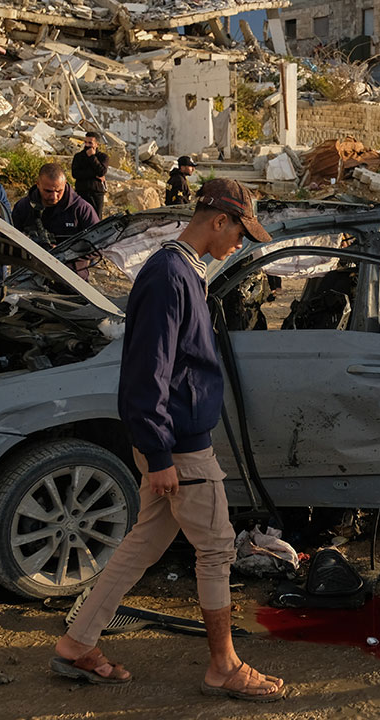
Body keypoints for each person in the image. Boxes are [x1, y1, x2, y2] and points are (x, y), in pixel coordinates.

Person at [51, 179, 286, 702]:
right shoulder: (169, 276)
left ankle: (77, 643)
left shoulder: (181, 271)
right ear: (218, 220)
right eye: (240, 232)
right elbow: (145, 373)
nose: (241, 245)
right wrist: (159, 454)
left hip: (172, 439)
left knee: (143, 544)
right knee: (217, 549)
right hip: (178, 445)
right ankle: (223, 666)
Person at [12, 163, 101, 278]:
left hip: (71, 281)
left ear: (65, 184)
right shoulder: (23, 207)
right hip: (28, 278)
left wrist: (66, 253)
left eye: (59, 191)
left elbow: (99, 244)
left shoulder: (82, 209)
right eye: (48, 191)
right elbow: (11, 241)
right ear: (38, 184)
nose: (54, 196)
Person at [72, 131, 109, 219]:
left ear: (97, 144)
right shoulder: (78, 157)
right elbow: (75, 174)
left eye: (90, 143)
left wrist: (92, 157)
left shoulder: (103, 157)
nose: (87, 145)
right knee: (81, 217)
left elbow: (101, 171)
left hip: (96, 193)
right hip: (82, 192)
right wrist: (94, 174)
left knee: (96, 218)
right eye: (86, 142)